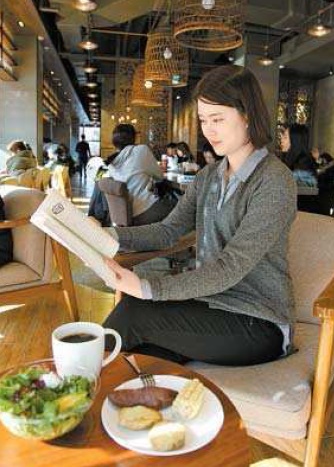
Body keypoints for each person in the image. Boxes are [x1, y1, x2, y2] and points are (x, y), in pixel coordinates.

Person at [102, 65, 297, 367]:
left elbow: (230, 266)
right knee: (141, 359)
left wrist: (148, 287)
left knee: (134, 312)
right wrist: (109, 235)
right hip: (210, 305)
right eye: (204, 120)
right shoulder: (209, 176)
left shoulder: (274, 180)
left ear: (247, 115)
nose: (209, 130)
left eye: (218, 119)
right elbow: (168, 230)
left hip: (258, 321)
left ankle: (73, 392)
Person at [89, 124, 176, 226]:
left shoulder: (110, 162)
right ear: (134, 137)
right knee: (178, 205)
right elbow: (159, 176)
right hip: (144, 211)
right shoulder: (141, 150)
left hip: (122, 215)